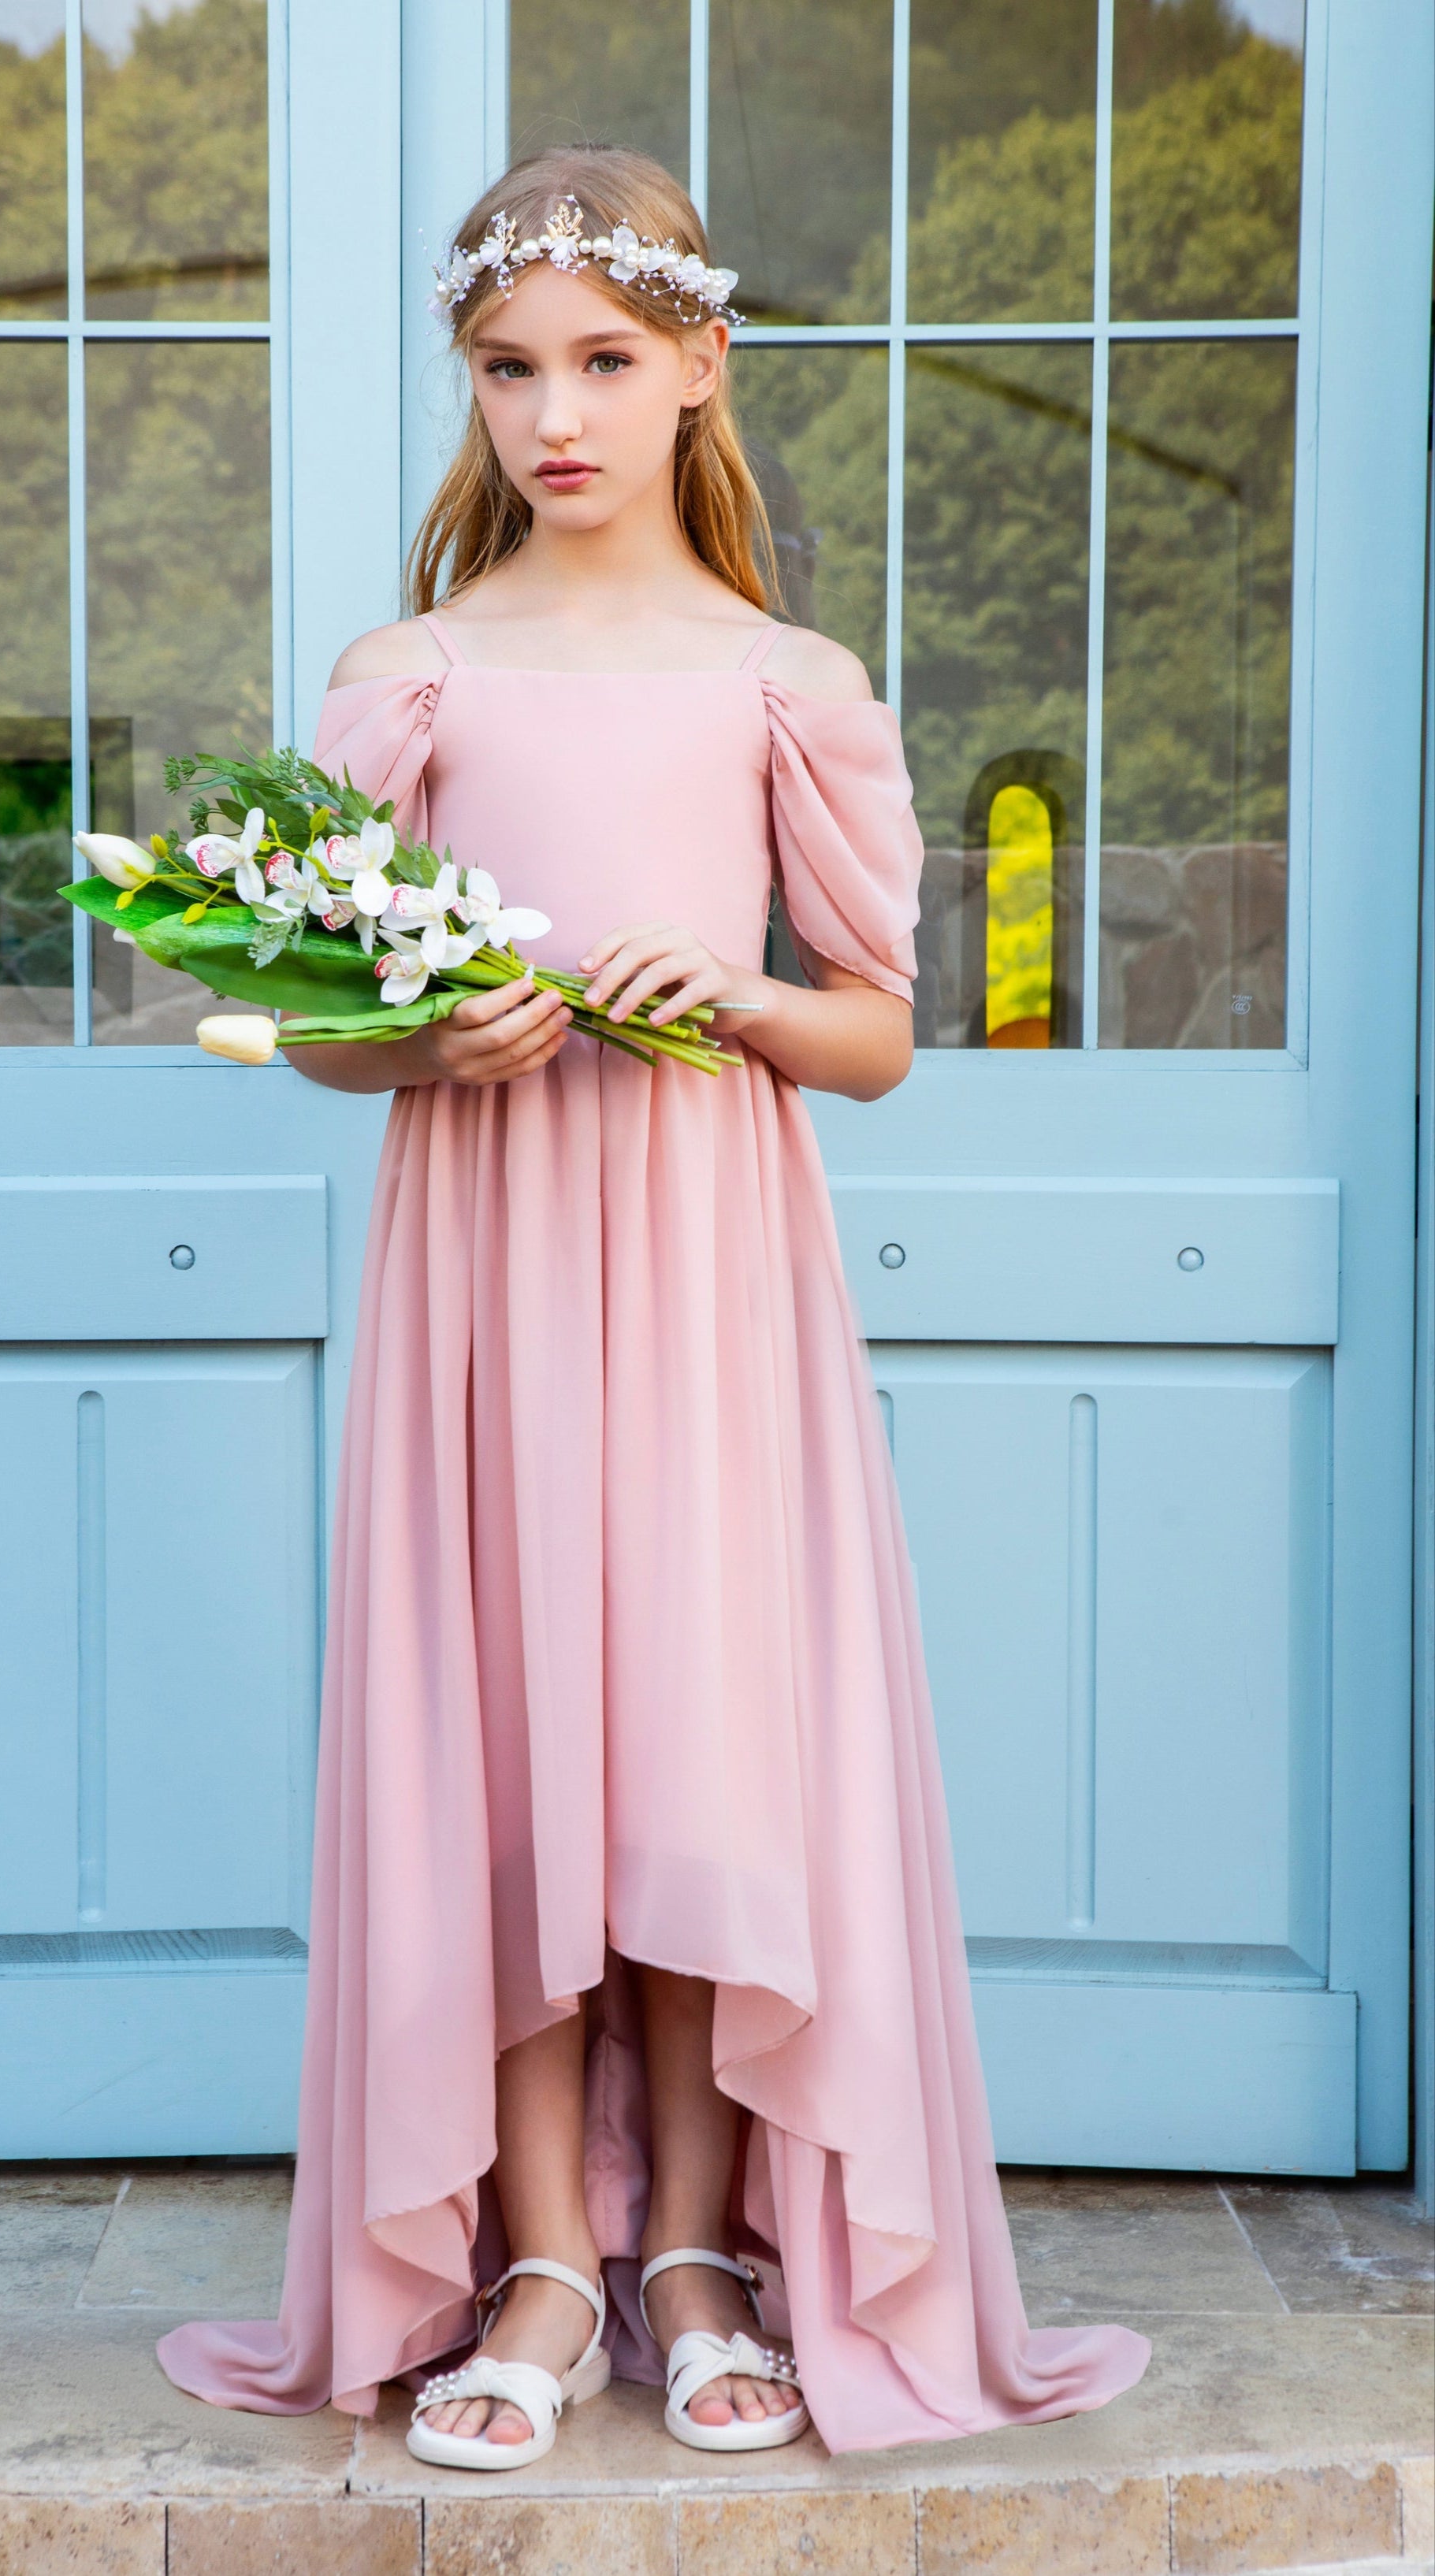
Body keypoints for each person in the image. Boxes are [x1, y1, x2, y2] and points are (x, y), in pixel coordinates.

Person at [155, 142, 1151, 2467]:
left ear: (700, 365)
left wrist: (742, 995)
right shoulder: (409, 677)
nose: (554, 416)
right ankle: (531, 2266)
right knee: (507, 1761)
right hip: (487, 1259)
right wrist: (431, 1045)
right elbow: (316, 1024)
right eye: (508, 371)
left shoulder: (783, 682)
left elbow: (878, 1031)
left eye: (603, 361)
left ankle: (696, 2255)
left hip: (711, 1267)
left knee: (699, 1753)